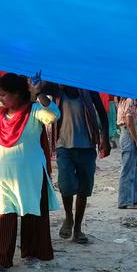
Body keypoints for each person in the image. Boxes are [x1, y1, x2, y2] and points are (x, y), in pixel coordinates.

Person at [0, 73, 60, 272]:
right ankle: (0, 260)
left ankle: (32, 253)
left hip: (30, 175)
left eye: (4, 95)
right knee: (4, 216)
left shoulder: (33, 112)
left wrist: (39, 93)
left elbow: (53, 115)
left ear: (17, 94)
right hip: (3, 176)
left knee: (32, 213)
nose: (1, 99)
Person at [47, 83, 110, 244]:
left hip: (87, 146)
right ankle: (68, 217)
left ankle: (78, 229)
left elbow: (103, 115)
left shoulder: (89, 89)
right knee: (66, 186)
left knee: (83, 189)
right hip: (64, 147)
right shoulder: (57, 91)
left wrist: (105, 139)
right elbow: (40, 91)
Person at [116, 96, 137, 209]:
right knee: (128, 169)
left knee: (133, 169)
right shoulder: (129, 101)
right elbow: (129, 123)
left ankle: (134, 198)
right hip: (128, 136)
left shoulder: (124, 101)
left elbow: (130, 121)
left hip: (127, 134)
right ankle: (125, 201)